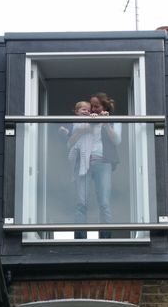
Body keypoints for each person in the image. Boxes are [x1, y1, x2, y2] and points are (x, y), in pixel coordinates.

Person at [68, 93, 122, 239]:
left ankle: (105, 239)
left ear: (104, 107)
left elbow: (117, 140)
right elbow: (71, 142)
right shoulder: (84, 119)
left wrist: (105, 123)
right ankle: (79, 239)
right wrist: (84, 126)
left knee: (104, 203)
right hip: (83, 163)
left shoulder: (113, 120)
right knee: (81, 203)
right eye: (92, 106)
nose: (93, 109)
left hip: (102, 163)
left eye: (96, 106)